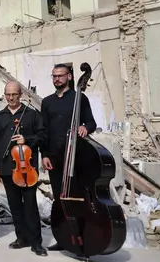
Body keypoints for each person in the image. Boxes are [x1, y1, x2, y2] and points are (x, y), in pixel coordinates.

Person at [41, 64, 97, 251]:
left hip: (77, 157)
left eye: (60, 76)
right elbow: (44, 132)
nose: (57, 79)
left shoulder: (79, 97)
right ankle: (65, 238)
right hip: (55, 158)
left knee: (78, 197)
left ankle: (84, 236)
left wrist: (85, 128)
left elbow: (91, 122)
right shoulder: (47, 102)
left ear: (70, 77)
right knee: (60, 198)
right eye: (54, 76)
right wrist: (44, 155)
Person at [0, 81, 48, 257]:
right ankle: (21, 238)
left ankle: (36, 243)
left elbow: (43, 136)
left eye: (14, 94)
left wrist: (27, 139)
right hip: (7, 168)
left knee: (30, 206)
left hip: (27, 169)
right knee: (15, 206)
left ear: (20, 95)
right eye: (7, 94)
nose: (10, 98)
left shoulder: (31, 114)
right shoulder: (0, 116)